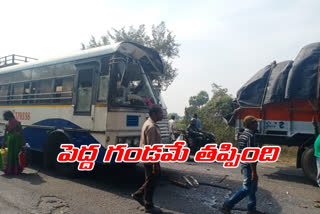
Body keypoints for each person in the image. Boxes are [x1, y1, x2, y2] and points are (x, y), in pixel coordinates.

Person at [221, 115, 264, 214]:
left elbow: (241, 151)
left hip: (246, 164)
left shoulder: (243, 134)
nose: (257, 124)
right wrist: (253, 171)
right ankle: (227, 204)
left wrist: (242, 165)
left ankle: (251, 209)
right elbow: (250, 155)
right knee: (247, 188)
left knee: (253, 187)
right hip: (249, 165)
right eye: (255, 123)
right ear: (250, 125)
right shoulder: (250, 136)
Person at [132, 105, 163, 213]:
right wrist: (155, 164)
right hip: (150, 159)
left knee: (150, 179)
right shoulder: (152, 127)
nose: (162, 115)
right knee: (152, 180)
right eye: (160, 113)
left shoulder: (148, 123)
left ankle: (141, 196)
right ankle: (147, 204)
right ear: (154, 114)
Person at [2, 111, 25, 175]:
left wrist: (3, 143)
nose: (5, 118)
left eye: (5, 116)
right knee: (15, 155)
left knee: (12, 155)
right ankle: (16, 170)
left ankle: (11, 170)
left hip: (11, 141)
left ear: (8, 116)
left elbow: (5, 135)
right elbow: (21, 133)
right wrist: (23, 142)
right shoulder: (17, 123)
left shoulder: (8, 123)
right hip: (16, 141)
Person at [312, 116, 320, 187]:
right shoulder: (318, 134)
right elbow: (316, 132)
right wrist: (314, 124)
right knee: (319, 171)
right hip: (318, 155)